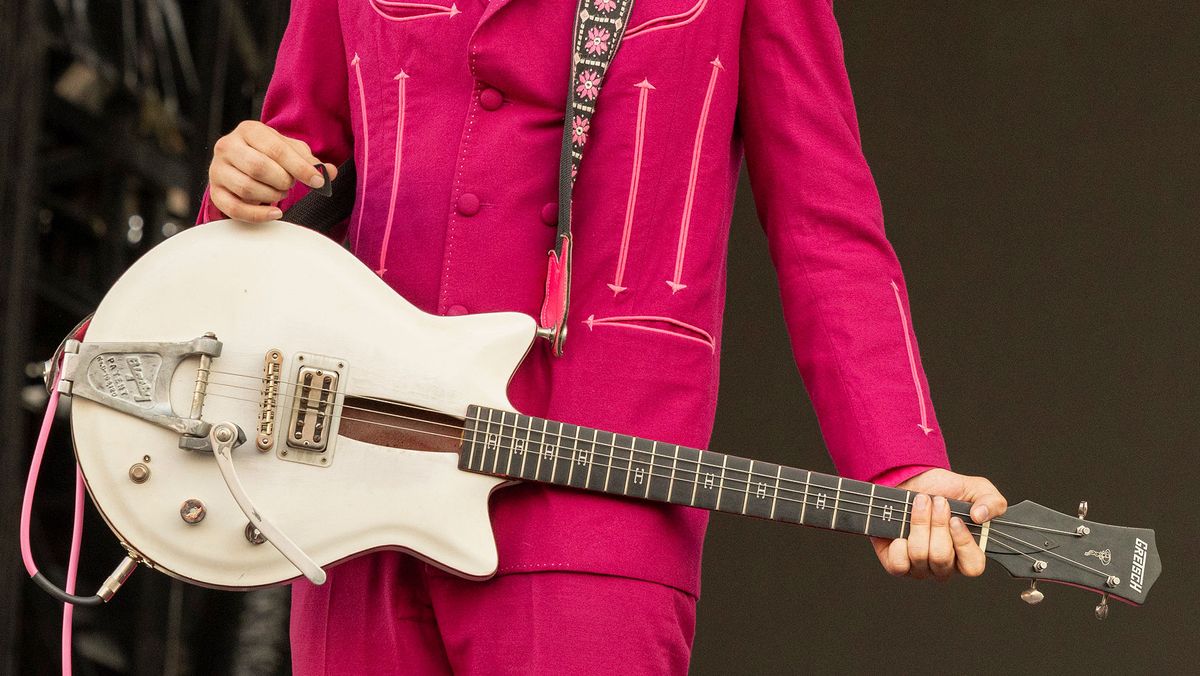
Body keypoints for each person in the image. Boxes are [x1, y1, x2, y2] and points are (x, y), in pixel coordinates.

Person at [201, 1, 1007, 673]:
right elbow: (299, 170)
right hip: (359, 485)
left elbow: (823, 225)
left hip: (593, 497)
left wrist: (900, 458)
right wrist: (241, 182)